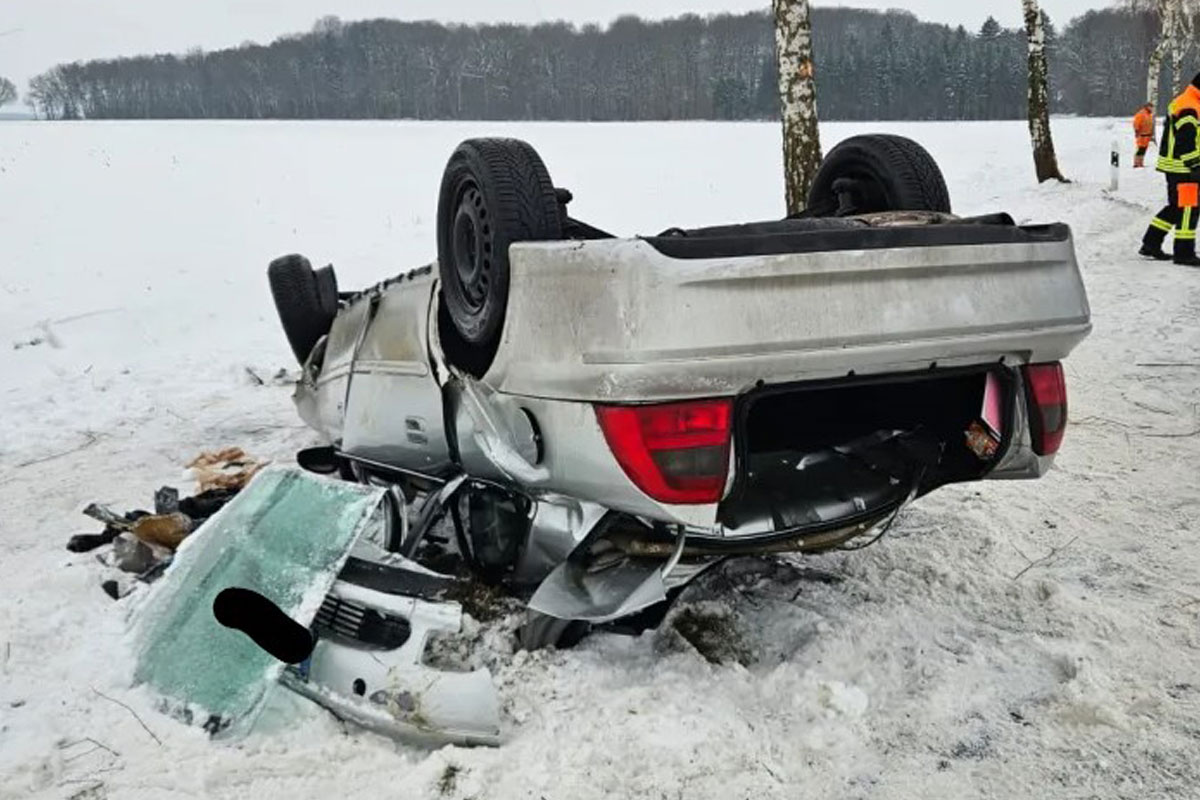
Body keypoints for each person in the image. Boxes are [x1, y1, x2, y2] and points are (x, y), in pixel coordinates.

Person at [1140, 72, 1200, 266]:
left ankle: (1150, 243)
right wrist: (1196, 165)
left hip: (1175, 166)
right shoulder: (1191, 107)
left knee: (1175, 208)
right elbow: (1185, 141)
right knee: (1189, 209)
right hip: (1184, 168)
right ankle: (1184, 253)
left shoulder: (1185, 100)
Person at [1132, 102, 1156, 168]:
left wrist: (1151, 133)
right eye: (1150, 107)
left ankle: (1141, 163)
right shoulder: (1141, 114)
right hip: (1141, 135)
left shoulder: (1149, 115)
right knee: (1140, 149)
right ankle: (1136, 163)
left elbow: (1150, 125)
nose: (1152, 109)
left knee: (1144, 149)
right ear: (1147, 107)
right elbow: (1136, 123)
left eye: (1152, 107)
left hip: (1147, 135)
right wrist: (1137, 131)